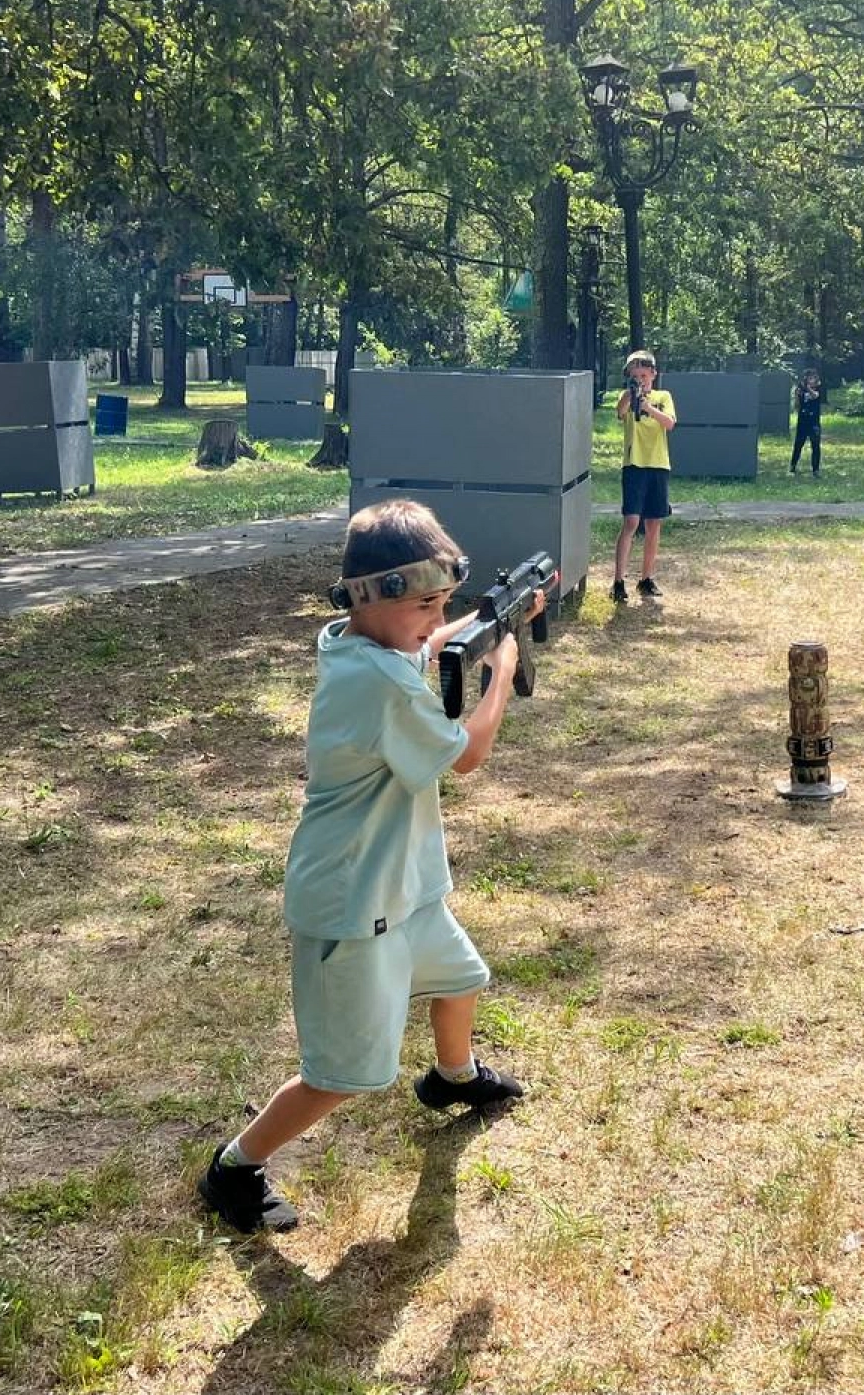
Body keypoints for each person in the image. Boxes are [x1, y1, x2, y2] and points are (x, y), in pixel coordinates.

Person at [197, 499, 541, 1234]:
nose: (434, 618)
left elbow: (426, 648)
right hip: (352, 903)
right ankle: (235, 1165)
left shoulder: (367, 646)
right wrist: (501, 670)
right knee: (341, 1075)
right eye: (425, 604)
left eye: (443, 603)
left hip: (404, 886)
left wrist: (481, 622)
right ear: (373, 598)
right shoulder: (379, 682)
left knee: (461, 978)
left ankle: (453, 1077)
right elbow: (470, 754)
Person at [611, 350, 678, 604]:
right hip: (634, 464)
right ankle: (618, 581)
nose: (640, 379)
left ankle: (646, 578)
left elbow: (669, 423)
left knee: (653, 523)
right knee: (630, 521)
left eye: (643, 374)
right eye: (634, 375)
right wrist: (631, 395)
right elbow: (620, 412)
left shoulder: (663, 396)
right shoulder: (627, 396)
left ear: (653, 374)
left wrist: (648, 405)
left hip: (658, 464)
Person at [791, 370, 826, 477]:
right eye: (809, 378)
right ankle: (793, 465)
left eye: (813, 378)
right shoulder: (802, 391)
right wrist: (797, 396)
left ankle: (815, 470)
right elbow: (797, 407)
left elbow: (815, 395)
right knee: (798, 444)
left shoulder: (818, 389)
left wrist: (807, 388)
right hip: (803, 421)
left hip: (814, 422)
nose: (811, 380)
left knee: (815, 445)